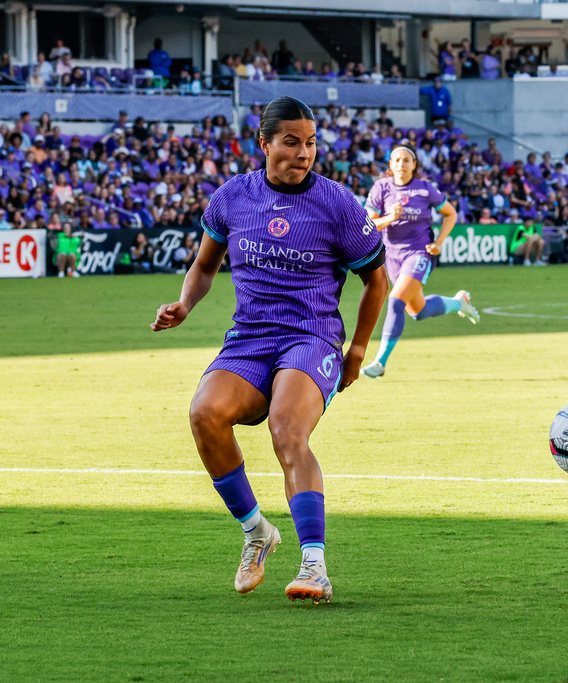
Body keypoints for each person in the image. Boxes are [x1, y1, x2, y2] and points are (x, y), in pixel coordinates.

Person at [149, 96, 390, 605]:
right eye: (291, 142)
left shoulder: (339, 204)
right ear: (264, 143)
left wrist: (358, 348)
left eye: (311, 143)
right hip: (251, 338)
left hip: (312, 336)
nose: (304, 153)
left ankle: (314, 565)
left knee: (287, 427)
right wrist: (185, 304)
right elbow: (205, 265)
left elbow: (378, 282)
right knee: (204, 414)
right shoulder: (232, 197)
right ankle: (256, 531)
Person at [360, 143, 478, 379]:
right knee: (419, 311)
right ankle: (459, 303)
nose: (401, 164)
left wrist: (440, 242)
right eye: (397, 160)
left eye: (406, 160)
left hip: (419, 254)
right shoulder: (381, 188)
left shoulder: (425, 189)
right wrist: (390, 217)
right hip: (391, 257)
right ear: (390, 165)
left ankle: (379, 363)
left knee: (395, 302)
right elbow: (370, 224)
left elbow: (451, 213)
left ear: (414, 165)